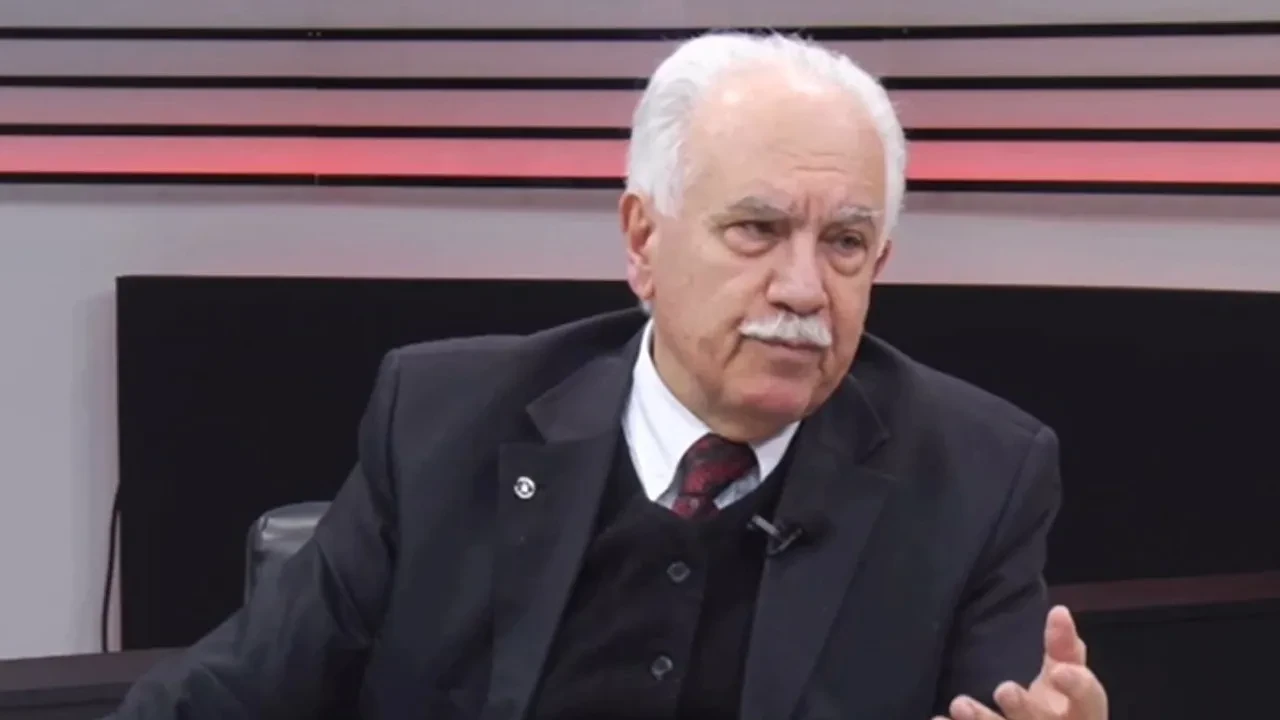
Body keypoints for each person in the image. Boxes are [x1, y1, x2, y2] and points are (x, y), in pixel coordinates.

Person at [107, 31, 1108, 720]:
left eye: (844, 243)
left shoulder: (977, 475)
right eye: (756, 229)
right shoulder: (444, 425)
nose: (804, 288)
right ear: (642, 240)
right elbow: (221, 699)